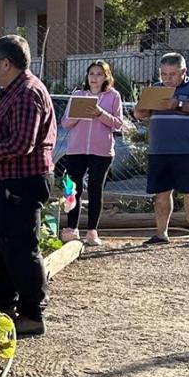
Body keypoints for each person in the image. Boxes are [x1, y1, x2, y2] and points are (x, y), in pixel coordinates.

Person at [0, 35, 57, 338]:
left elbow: (23, 143)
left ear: (6, 63)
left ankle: (32, 314)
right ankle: (3, 306)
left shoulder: (26, 93)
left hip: (22, 182)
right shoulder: (13, 91)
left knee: (21, 248)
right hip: (8, 181)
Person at [133, 53, 189, 246]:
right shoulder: (155, 89)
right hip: (159, 150)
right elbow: (139, 113)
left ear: (183, 71)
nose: (167, 78)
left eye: (172, 74)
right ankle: (161, 234)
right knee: (161, 194)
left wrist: (178, 104)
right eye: (164, 74)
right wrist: (142, 110)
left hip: (187, 150)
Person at [59, 60, 128, 247]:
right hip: (76, 150)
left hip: (102, 151)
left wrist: (99, 113)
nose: (94, 78)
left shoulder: (113, 96)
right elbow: (65, 123)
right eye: (91, 74)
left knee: (95, 189)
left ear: (106, 76)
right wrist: (78, 113)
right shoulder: (78, 95)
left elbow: (118, 123)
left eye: (98, 74)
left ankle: (92, 232)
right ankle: (71, 228)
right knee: (72, 188)